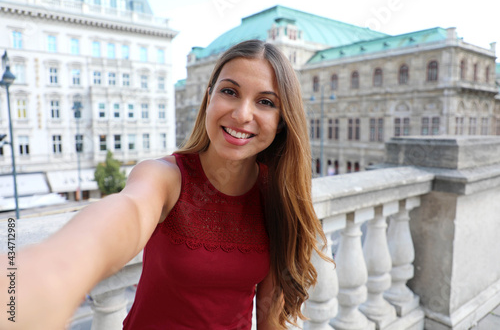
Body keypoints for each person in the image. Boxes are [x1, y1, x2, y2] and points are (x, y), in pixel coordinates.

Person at [0, 40, 330, 330]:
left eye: (266, 102)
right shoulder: (164, 177)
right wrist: (53, 274)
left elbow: (271, 318)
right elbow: (125, 213)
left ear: (283, 120)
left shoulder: (276, 195)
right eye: (230, 92)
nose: (243, 114)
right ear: (209, 97)